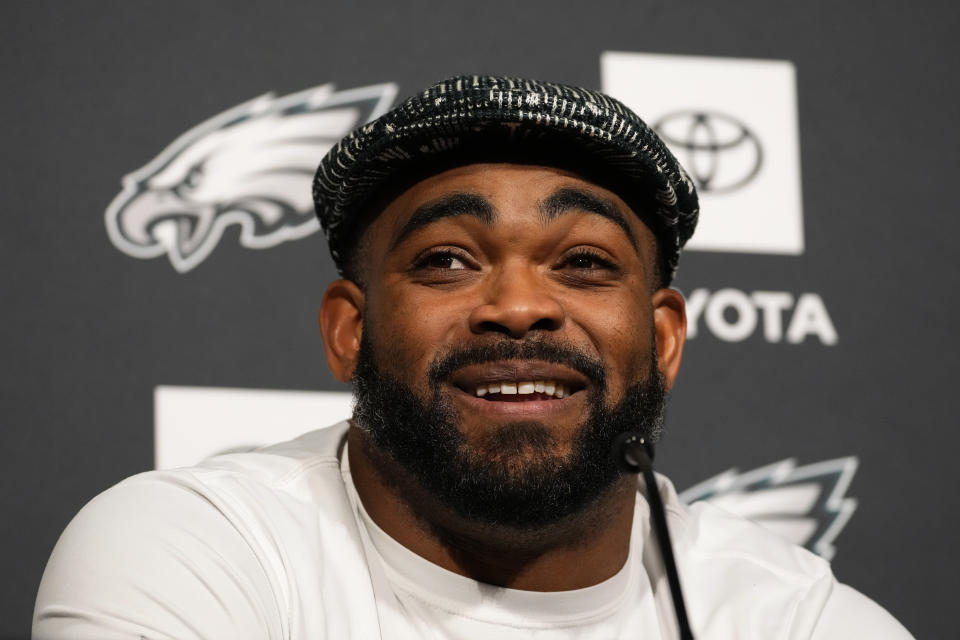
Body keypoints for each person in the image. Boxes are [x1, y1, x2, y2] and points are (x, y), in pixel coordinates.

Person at [33, 75, 912, 639]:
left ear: (666, 339)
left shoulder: (799, 620)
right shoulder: (196, 553)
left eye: (584, 263)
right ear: (349, 329)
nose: (521, 307)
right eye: (447, 260)